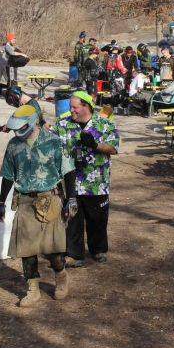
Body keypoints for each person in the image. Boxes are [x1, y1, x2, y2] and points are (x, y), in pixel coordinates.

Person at [0, 104, 77, 308]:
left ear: (32, 123)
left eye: (21, 128)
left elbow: (68, 172)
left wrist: (71, 198)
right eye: (15, 129)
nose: (17, 132)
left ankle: (61, 277)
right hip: (24, 201)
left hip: (49, 200)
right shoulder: (14, 146)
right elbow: (7, 175)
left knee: (53, 252)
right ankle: (32, 289)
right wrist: (1, 201)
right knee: (26, 250)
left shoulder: (54, 142)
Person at [52, 91, 120, 267]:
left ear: (86, 107)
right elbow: (47, 139)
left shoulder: (104, 124)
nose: (71, 111)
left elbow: (113, 148)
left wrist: (95, 145)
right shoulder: (63, 124)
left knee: (97, 219)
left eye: (74, 107)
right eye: (70, 107)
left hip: (96, 183)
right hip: (70, 182)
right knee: (72, 218)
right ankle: (75, 254)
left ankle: (98, 250)